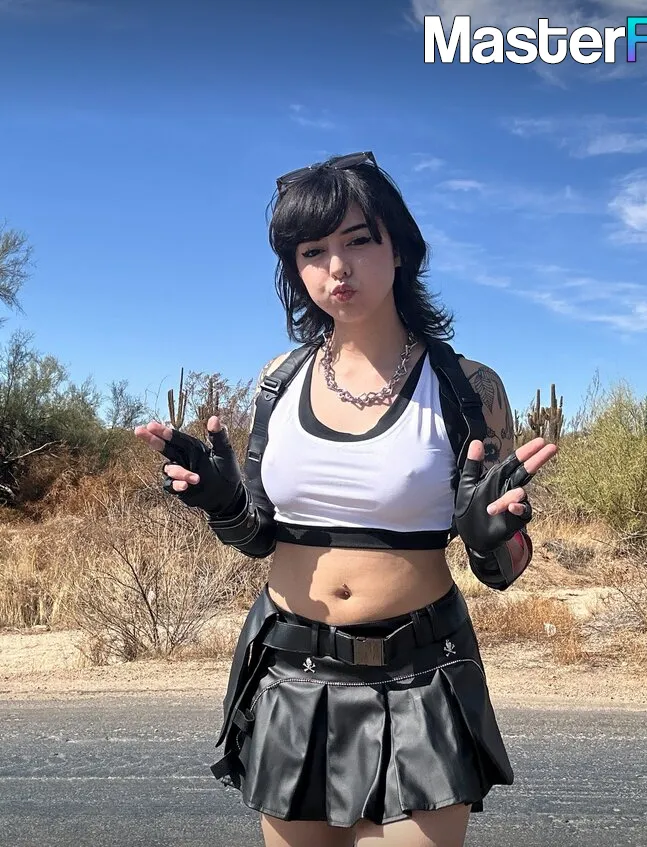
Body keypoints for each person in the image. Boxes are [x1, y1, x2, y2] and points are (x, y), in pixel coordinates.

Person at [134, 151, 557, 847]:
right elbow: (258, 536)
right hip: (290, 671)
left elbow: (502, 566)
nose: (338, 267)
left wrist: (493, 541)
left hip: (423, 676)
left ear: (400, 248)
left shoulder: (468, 388)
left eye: (359, 240)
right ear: (294, 270)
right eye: (313, 251)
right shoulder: (277, 380)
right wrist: (221, 501)